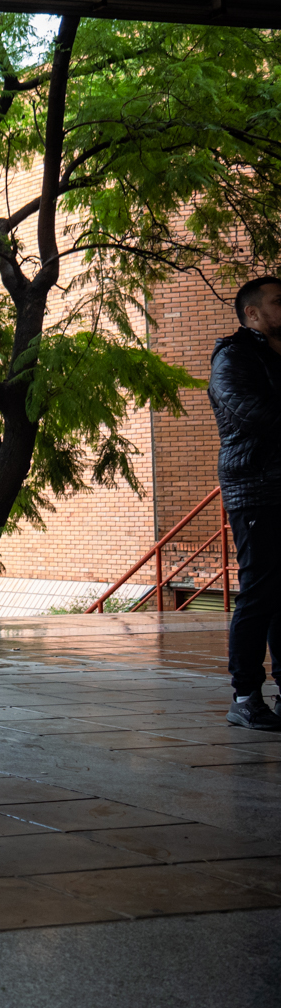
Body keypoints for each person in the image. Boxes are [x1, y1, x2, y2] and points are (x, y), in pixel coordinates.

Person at [211, 275, 281, 731]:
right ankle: (245, 697)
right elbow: (249, 411)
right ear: (252, 313)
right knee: (259, 592)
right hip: (256, 487)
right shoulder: (233, 356)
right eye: (279, 301)